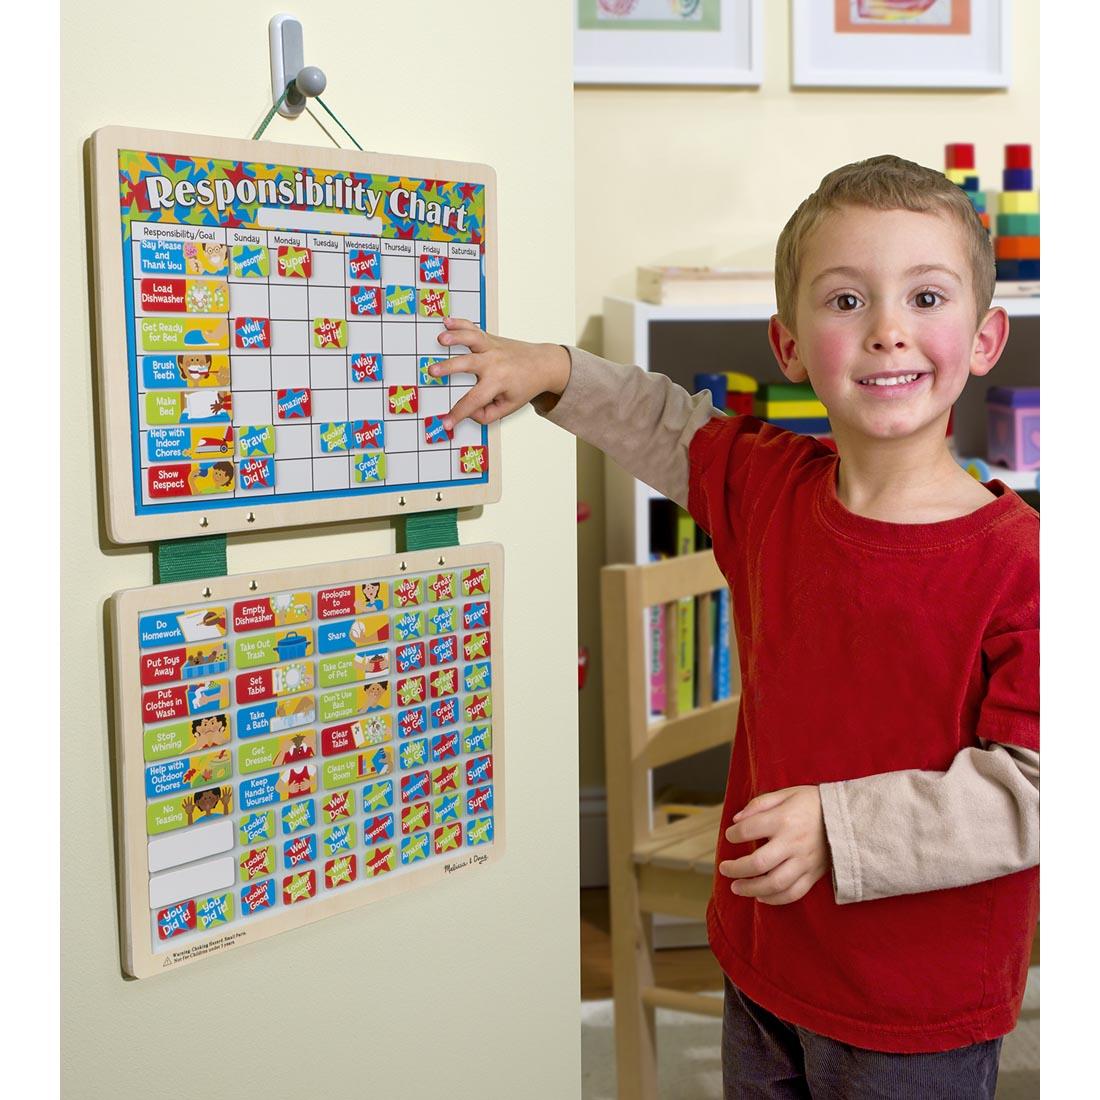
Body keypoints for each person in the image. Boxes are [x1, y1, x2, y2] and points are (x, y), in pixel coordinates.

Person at [428, 155, 1038, 1098]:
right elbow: (666, 425)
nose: (886, 332)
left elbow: (1037, 791)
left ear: (986, 336)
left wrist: (842, 827)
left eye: (925, 297)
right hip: (764, 956)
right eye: (845, 301)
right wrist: (552, 368)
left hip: (914, 1003)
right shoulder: (770, 487)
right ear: (788, 346)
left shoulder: (1023, 564)